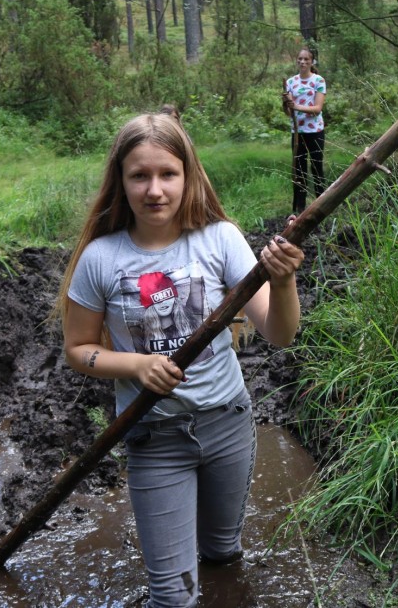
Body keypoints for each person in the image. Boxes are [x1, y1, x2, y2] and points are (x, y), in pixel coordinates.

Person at [56, 111, 305, 607]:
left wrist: (282, 280)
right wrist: (135, 366)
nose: (155, 190)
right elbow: (78, 349)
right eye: (139, 175)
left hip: (227, 425)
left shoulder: (219, 239)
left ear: (187, 175)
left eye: (167, 174)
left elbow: (279, 334)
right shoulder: (102, 259)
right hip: (154, 436)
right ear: (120, 181)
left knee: (222, 554)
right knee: (172, 598)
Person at [283, 48, 327, 214]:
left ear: (311, 62)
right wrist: (287, 104)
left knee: (316, 167)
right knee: (299, 168)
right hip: (297, 132)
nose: (302, 62)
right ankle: (299, 208)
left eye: (306, 59)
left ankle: (321, 205)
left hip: (315, 131)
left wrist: (297, 107)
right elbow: (289, 112)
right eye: (300, 59)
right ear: (297, 60)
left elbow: (317, 108)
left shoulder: (318, 81)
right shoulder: (290, 82)